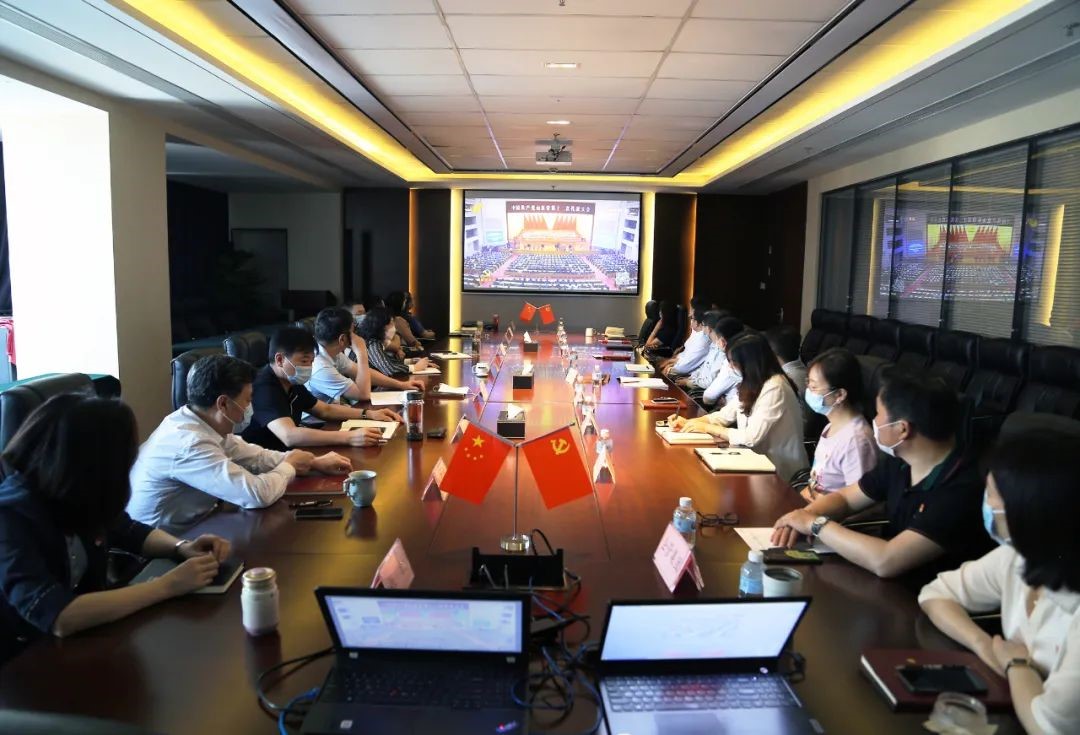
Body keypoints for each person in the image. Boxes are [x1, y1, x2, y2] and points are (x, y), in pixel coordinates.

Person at [0, 394, 232, 663]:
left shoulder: (72, 493)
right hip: (24, 663)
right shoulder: (10, 517)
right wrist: (168, 586)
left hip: (85, 644)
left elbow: (128, 530)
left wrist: (181, 547)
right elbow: (59, 616)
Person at [919, 429, 1080, 735]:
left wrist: (1017, 666)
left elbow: (1048, 727)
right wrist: (985, 646)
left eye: (992, 493)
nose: (986, 502)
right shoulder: (1018, 557)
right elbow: (935, 594)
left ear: (1028, 509)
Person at [772, 369, 995, 579]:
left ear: (902, 429)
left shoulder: (962, 488)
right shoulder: (901, 463)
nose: (874, 421)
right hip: (896, 586)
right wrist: (803, 516)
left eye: (878, 414)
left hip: (926, 596)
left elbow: (886, 560)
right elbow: (846, 498)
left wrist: (815, 524)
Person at [128, 355, 354, 530]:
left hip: (200, 523)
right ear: (223, 404)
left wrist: (312, 462)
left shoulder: (202, 422)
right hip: (163, 546)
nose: (250, 407)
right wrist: (290, 466)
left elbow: (256, 457)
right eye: (247, 400)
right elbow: (256, 495)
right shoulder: (189, 443)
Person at [672, 333, 808, 482]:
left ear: (750, 362)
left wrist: (706, 428)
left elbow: (751, 438)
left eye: (733, 362)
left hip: (779, 472)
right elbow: (724, 415)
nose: (730, 366)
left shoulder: (775, 387)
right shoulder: (752, 382)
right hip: (753, 463)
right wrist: (691, 422)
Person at [242, 327, 393, 451]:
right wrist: (349, 437)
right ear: (280, 359)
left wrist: (368, 414)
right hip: (261, 461)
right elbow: (289, 435)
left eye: (311, 361)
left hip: (287, 454)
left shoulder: (291, 381)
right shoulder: (264, 387)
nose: (308, 367)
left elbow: (325, 410)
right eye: (304, 361)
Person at [801, 348, 877, 501]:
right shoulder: (831, 426)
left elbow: (861, 501)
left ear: (840, 394)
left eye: (814, 387)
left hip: (828, 513)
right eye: (808, 383)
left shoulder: (856, 440)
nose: (808, 391)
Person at [309, 306, 414, 406]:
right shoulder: (320, 366)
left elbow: (363, 372)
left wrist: (401, 385)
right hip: (323, 419)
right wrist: (361, 351)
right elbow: (363, 395)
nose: (356, 335)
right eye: (353, 331)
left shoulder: (332, 353)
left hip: (337, 409)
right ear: (342, 339)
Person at [360, 307, 430, 386]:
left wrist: (413, 361)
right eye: (391, 323)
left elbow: (390, 361)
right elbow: (389, 370)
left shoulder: (376, 342)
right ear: (381, 326)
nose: (394, 328)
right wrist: (415, 367)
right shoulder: (372, 344)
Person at [699, 316, 746, 407]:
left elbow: (708, 397)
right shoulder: (748, 354)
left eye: (717, 338)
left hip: (731, 411)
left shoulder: (730, 362)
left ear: (722, 342)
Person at [661, 306, 710, 377]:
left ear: (697, 323)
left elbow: (684, 367)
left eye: (691, 318)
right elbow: (685, 355)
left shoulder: (702, 341)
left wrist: (670, 366)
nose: (689, 316)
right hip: (681, 364)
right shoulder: (696, 332)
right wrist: (671, 361)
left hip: (687, 374)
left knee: (663, 370)